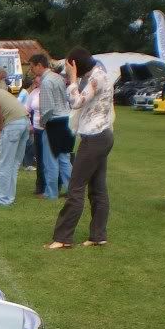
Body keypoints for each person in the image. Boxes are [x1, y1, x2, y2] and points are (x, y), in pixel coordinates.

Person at [46, 47, 115, 249]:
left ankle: (63, 237)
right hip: (101, 136)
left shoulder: (96, 78)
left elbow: (76, 102)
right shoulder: (97, 75)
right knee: (98, 189)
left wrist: (73, 77)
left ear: (76, 64)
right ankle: (98, 236)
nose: (67, 69)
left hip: (95, 138)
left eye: (69, 65)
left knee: (75, 188)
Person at [29, 53, 72, 199]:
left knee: (50, 160)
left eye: (32, 67)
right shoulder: (59, 78)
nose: (31, 70)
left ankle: (51, 193)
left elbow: (47, 108)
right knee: (64, 158)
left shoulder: (46, 82)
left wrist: (42, 124)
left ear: (39, 65)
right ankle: (73, 190)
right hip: (66, 119)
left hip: (53, 121)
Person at [27, 75, 46, 195]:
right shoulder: (33, 93)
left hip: (49, 129)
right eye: (36, 78)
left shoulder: (49, 91)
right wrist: (29, 124)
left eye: (38, 78)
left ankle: (53, 185)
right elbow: (26, 109)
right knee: (39, 158)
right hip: (37, 129)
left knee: (50, 158)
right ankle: (40, 186)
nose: (36, 80)